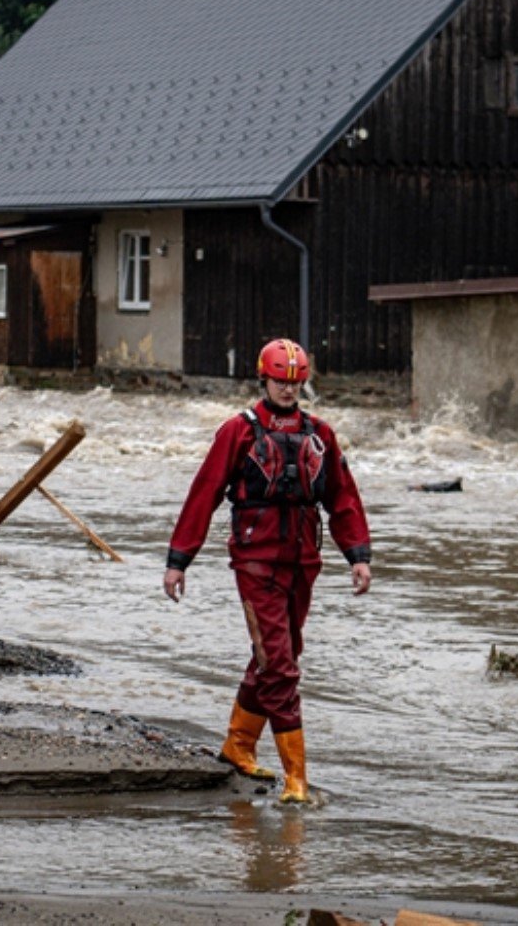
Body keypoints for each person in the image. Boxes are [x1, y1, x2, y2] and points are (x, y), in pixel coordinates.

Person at [163, 338, 372, 804]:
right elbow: (204, 494)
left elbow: (342, 497)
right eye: (280, 380)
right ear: (264, 378)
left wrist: (358, 555)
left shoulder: (320, 433)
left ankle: (238, 746)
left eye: (295, 381)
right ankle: (296, 777)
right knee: (280, 665)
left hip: (303, 563)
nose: (288, 389)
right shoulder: (238, 432)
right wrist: (179, 561)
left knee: (278, 654)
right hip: (256, 563)